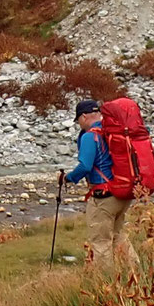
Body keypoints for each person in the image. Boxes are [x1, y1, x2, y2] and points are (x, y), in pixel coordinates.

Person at [63, 98, 132, 268]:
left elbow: (85, 166)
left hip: (104, 196)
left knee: (101, 242)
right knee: (118, 237)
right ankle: (136, 274)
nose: (79, 123)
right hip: (123, 192)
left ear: (84, 116)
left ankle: (105, 284)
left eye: (78, 119)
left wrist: (68, 178)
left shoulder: (90, 136)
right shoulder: (113, 131)